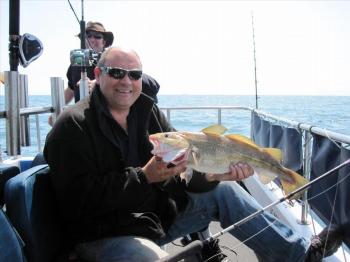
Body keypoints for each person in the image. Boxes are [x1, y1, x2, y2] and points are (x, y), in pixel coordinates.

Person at [44, 47, 343, 262]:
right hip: (102, 236)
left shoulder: (147, 113)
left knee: (225, 192)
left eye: (134, 74)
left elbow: (184, 177)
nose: (127, 81)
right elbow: (76, 202)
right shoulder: (72, 126)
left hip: (154, 220)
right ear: (98, 74)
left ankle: (299, 255)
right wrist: (144, 177)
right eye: (117, 73)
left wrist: (213, 175)